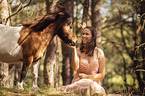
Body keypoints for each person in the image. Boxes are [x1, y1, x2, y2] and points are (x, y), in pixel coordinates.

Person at [59, 26, 106, 96]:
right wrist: (74, 50)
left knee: (90, 85)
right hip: (79, 83)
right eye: (83, 34)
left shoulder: (99, 52)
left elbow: (102, 74)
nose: (84, 36)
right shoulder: (78, 51)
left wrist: (87, 77)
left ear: (92, 36)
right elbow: (75, 68)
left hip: (94, 84)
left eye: (87, 34)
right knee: (86, 85)